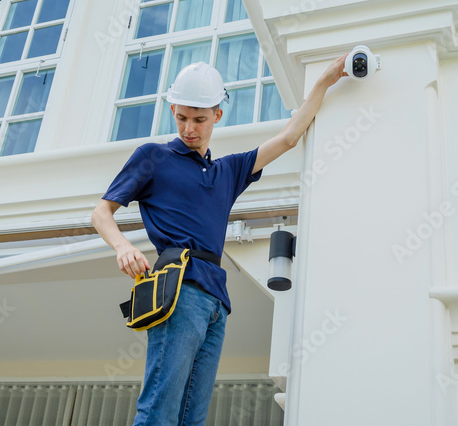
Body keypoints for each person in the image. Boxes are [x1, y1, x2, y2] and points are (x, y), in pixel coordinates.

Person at [91, 53, 349, 426]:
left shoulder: (228, 171)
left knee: (192, 419)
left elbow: (289, 137)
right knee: (159, 411)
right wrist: (123, 246)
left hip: (216, 303)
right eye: (181, 117)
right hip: (178, 291)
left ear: (217, 116)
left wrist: (325, 80)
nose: (189, 128)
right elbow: (101, 213)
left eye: (199, 119)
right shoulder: (153, 157)